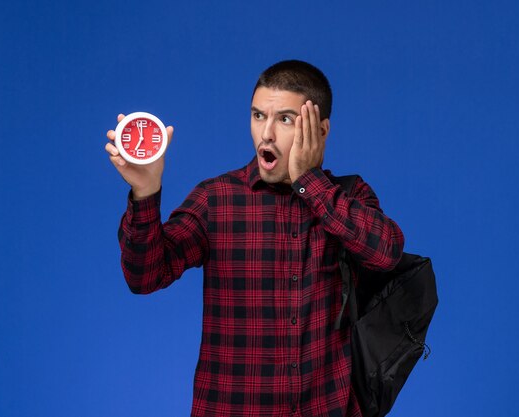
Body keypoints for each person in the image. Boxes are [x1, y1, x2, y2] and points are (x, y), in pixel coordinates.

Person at [105, 60, 404, 417]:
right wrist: (146, 191)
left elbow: (386, 253)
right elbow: (144, 275)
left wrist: (310, 183)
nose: (266, 134)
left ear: (321, 130)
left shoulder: (347, 197)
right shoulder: (216, 199)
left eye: (285, 120)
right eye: (259, 116)